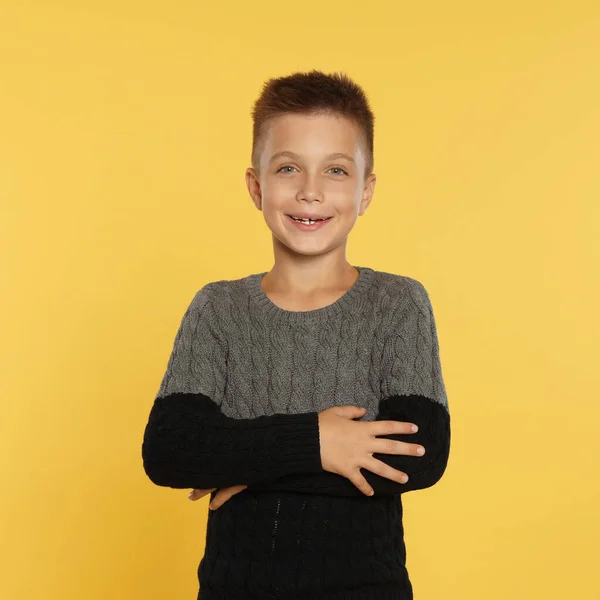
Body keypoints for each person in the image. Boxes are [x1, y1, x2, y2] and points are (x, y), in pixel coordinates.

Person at [141, 69, 451, 600]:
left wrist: (251, 461)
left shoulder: (397, 304)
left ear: (365, 190)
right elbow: (171, 451)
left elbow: (418, 453)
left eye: (335, 170)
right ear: (256, 186)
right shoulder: (218, 309)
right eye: (288, 168)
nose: (311, 191)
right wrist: (318, 442)